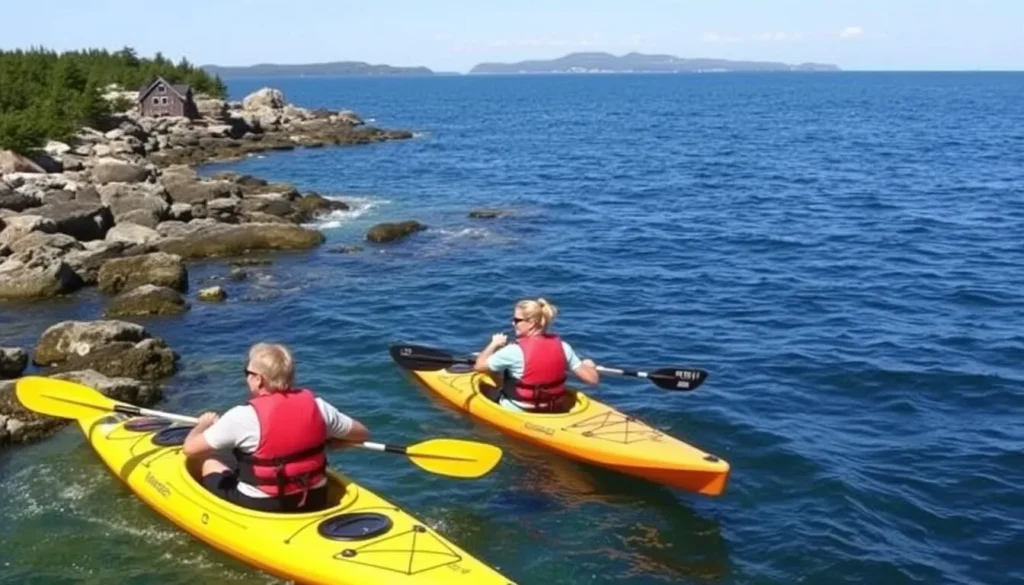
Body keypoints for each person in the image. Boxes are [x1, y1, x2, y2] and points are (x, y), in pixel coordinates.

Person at [182, 342, 369, 513]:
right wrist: (334, 440)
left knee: (207, 460)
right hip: (315, 498)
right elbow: (361, 434)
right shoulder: (319, 406)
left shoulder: (241, 416)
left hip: (263, 505)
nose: (246, 378)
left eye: (247, 373)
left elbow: (190, 449)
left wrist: (202, 425)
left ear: (259, 380)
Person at [474, 297, 599, 412]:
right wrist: (588, 365)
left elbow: (479, 366)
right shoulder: (563, 347)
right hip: (553, 408)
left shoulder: (513, 351)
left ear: (532, 323)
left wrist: (494, 344)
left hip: (519, 409)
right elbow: (593, 380)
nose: (513, 323)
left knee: (485, 386)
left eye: (517, 320)